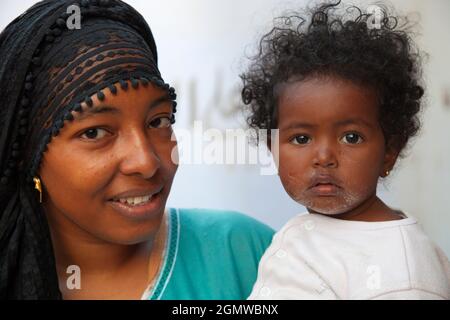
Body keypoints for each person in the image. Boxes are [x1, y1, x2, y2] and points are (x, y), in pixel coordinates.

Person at [0, 0, 274, 300]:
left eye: (158, 121)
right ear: (29, 153)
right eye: (94, 132)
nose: (146, 162)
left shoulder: (249, 255)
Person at [241, 1, 450, 299]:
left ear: (390, 150)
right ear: (272, 148)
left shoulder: (401, 275)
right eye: (301, 139)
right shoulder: (311, 232)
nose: (324, 157)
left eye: (351, 137)